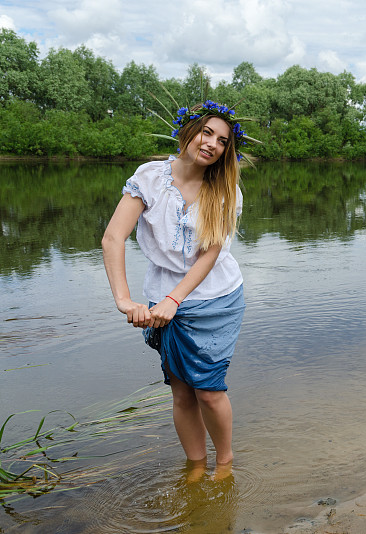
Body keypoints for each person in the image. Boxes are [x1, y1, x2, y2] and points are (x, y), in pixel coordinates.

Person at [102, 100, 254, 477]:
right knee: (182, 391)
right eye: (206, 132)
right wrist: (124, 300)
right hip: (163, 298)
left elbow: (209, 254)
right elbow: (113, 238)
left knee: (209, 389)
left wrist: (175, 299)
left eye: (222, 140)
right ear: (189, 132)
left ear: (226, 150)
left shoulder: (225, 189)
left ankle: (225, 462)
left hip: (216, 298)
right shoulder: (150, 178)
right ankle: (195, 466)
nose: (212, 144)